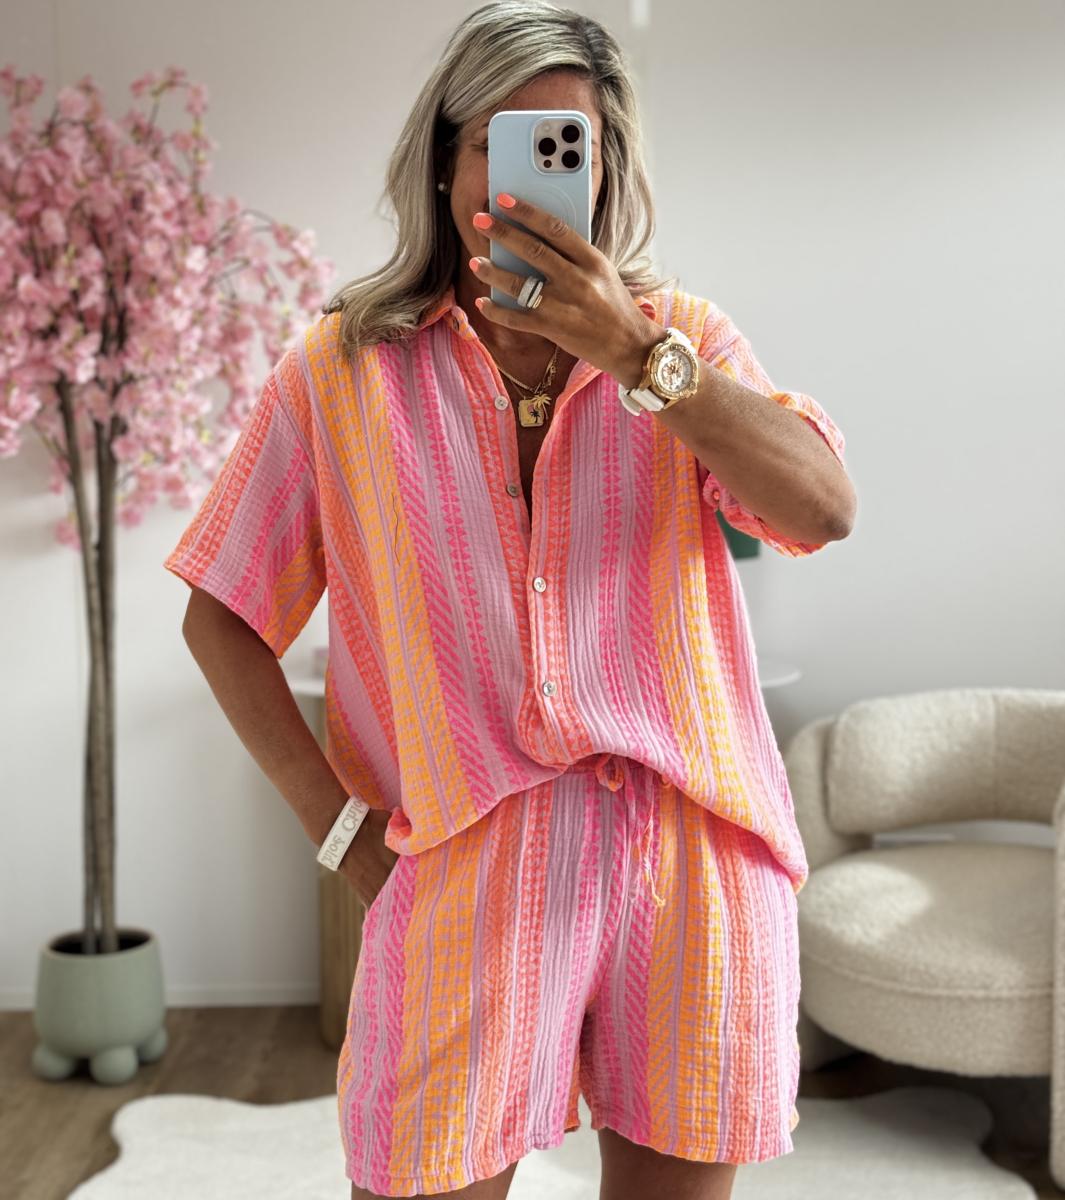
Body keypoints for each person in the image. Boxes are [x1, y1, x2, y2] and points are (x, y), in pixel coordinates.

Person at [165, 3, 856, 1198]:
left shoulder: (682, 342)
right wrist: (341, 834)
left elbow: (821, 508)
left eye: (564, 146)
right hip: (464, 859)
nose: (528, 175)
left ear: (606, 170)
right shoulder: (341, 370)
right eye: (499, 140)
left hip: (688, 858)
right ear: (445, 163)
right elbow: (221, 612)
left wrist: (637, 356)